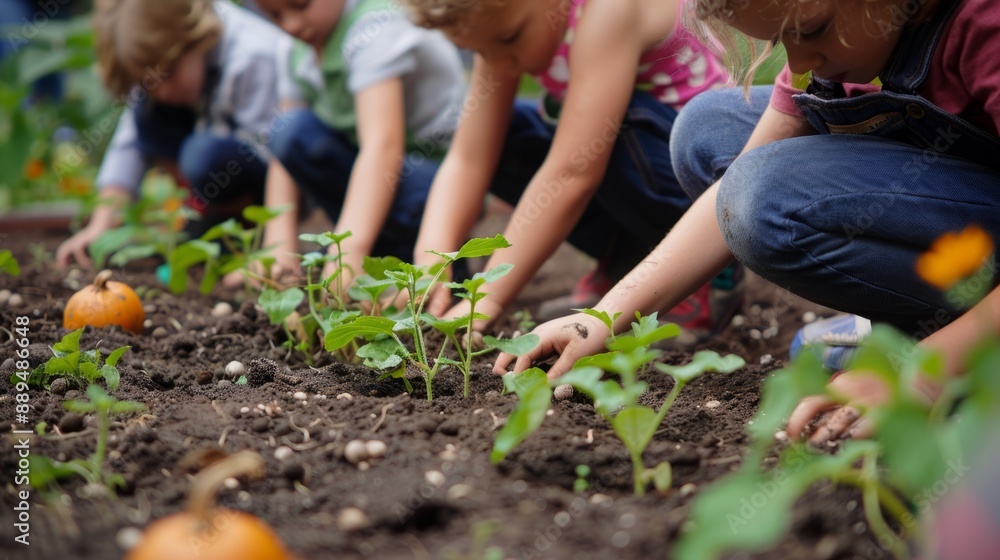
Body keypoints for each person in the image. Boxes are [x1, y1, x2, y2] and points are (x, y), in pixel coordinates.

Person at [495, 0, 1000, 442]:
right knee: (709, 130)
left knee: (766, 195)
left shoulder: (985, 22)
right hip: (957, 210)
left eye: (812, 29)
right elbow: (729, 193)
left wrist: (920, 376)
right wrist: (603, 319)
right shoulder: (842, 36)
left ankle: (954, 348)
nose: (799, 61)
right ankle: (931, 327)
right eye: (782, 41)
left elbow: (752, 193)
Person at [398, 0, 733, 333]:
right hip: (630, 177)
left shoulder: (608, 10)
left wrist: (488, 297)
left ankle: (706, 276)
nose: (503, 64)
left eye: (511, 38)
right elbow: (468, 158)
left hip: (703, 183)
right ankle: (625, 260)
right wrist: (432, 262)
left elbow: (572, 173)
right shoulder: (499, 27)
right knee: (510, 137)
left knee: (605, 133)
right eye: (478, 51)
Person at [55, 0, 316, 267]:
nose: (163, 90)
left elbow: (275, 152)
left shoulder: (252, 53)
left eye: (168, 73)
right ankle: (204, 221)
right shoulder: (160, 69)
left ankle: (242, 231)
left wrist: (276, 244)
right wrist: (100, 227)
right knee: (147, 111)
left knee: (204, 155)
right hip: (216, 162)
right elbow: (129, 144)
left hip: (273, 176)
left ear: (195, 39)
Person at [253, 0, 466, 282]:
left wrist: (349, 252)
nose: (290, 24)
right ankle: (380, 259)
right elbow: (285, 150)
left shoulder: (376, 27)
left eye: (301, 5)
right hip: (373, 172)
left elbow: (383, 146)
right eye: (275, 15)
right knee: (291, 131)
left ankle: (434, 264)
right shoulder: (293, 47)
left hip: (435, 180)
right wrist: (278, 243)